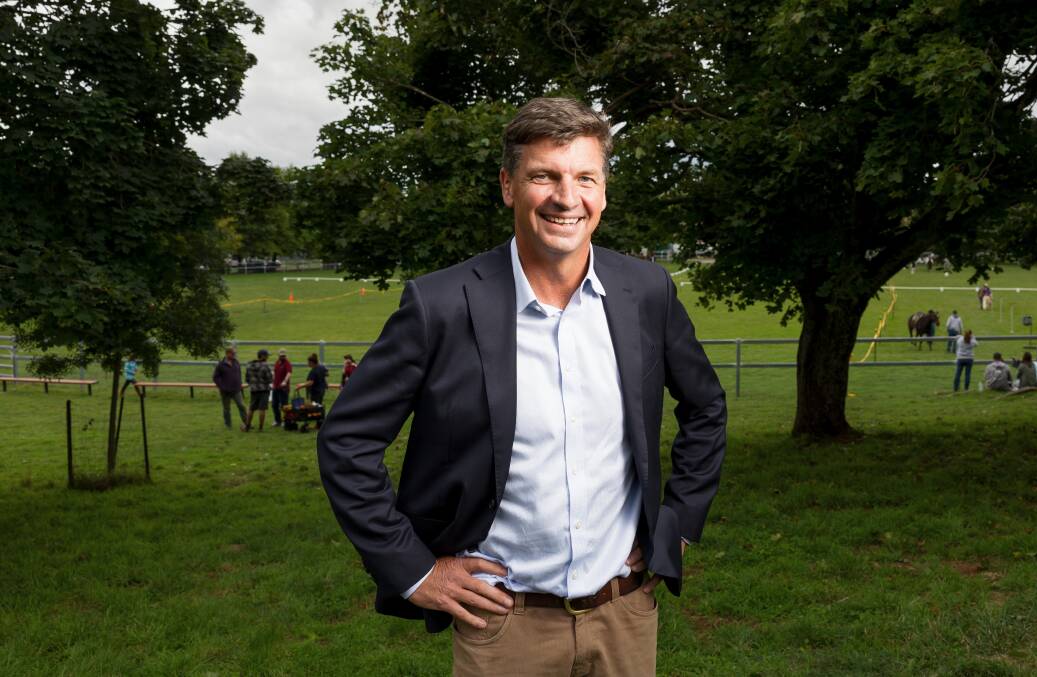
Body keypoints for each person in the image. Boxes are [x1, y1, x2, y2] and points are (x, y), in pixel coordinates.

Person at [316, 97, 726, 675]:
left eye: (585, 177)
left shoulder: (647, 292)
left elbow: (705, 407)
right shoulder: (440, 305)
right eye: (544, 176)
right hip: (504, 626)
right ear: (509, 186)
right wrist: (414, 569)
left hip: (626, 615)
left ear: (603, 190)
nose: (567, 197)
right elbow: (346, 443)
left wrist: (677, 525)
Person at [212, 347, 248, 431]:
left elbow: (238, 374)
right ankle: (228, 425)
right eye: (233, 353)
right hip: (225, 391)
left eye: (234, 353)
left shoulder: (236, 362)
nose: (234, 355)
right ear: (227, 353)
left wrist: (239, 384)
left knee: (241, 406)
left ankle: (247, 422)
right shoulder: (220, 365)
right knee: (226, 408)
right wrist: (222, 386)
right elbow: (215, 377)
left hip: (236, 390)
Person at [244, 349, 273, 431]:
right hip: (264, 390)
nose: (268, 357)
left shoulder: (249, 365)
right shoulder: (265, 366)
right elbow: (270, 379)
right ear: (263, 356)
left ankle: (247, 426)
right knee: (262, 409)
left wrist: (253, 384)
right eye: (267, 355)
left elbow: (247, 379)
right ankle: (260, 427)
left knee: (251, 408)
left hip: (253, 390)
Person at [271, 349, 292, 427]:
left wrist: (285, 381)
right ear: (278, 356)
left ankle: (285, 420)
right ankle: (277, 420)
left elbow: (289, 373)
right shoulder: (277, 362)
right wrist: (272, 378)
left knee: (284, 405)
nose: (282, 357)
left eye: (284, 356)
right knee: (274, 404)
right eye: (281, 356)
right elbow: (274, 371)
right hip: (275, 387)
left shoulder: (287, 363)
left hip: (283, 388)